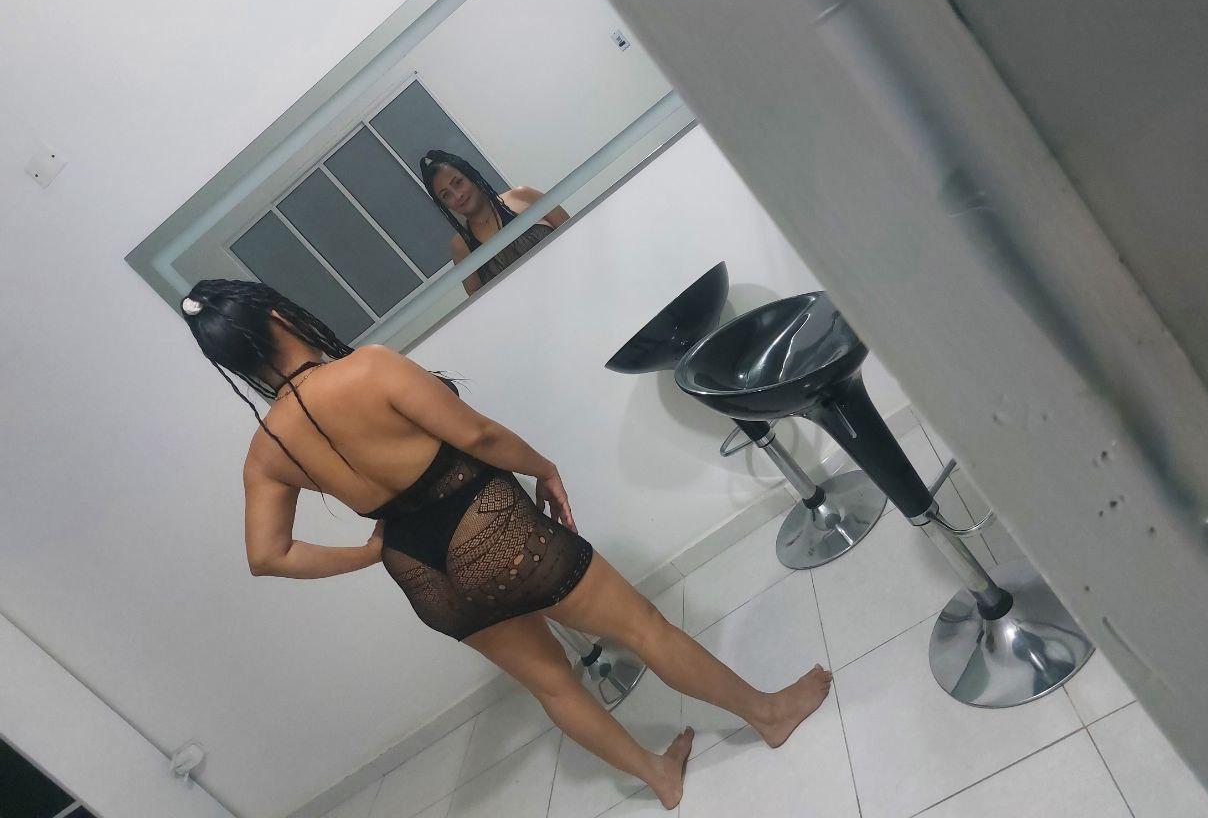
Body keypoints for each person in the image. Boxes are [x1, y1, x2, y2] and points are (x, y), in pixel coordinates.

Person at [181, 279, 832, 809]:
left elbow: (268, 556)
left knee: (554, 687)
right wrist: (544, 468)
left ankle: (658, 776)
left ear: (233, 362)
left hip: (424, 575)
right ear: (277, 313)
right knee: (643, 628)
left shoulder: (267, 451)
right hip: (491, 530)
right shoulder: (368, 369)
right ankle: (767, 713)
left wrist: (370, 552)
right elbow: (480, 437)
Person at [419, 150, 569, 295]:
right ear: (444, 204)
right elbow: (480, 301)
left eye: (458, 182)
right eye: (446, 195)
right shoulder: (461, 246)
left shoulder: (522, 196)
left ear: (470, 175)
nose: (458, 195)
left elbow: (574, 229)